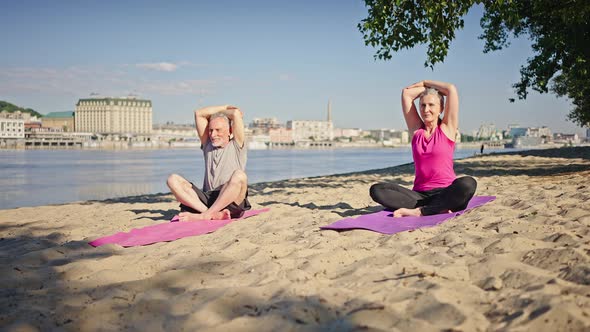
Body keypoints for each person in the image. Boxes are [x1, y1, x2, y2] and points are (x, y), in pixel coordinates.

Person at [369, 80, 477, 217]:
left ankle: (422, 212)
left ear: (441, 109)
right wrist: (427, 90)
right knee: (377, 190)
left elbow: (450, 89)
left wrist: (426, 82)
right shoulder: (416, 130)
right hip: (419, 197)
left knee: (468, 184)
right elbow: (407, 94)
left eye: (431, 105)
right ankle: (435, 207)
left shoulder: (447, 128)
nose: (426, 110)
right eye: (422, 105)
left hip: (447, 192)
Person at [167, 105, 250, 221]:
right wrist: (225, 107)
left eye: (218, 130)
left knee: (240, 176)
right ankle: (209, 214)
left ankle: (205, 215)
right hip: (208, 200)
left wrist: (227, 111)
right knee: (172, 179)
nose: (213, 134)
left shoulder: (237, 145)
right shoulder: (208, 145)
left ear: (230, 131)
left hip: (231, 199)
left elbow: (236, 114)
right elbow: (199, 113)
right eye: (211, 130)